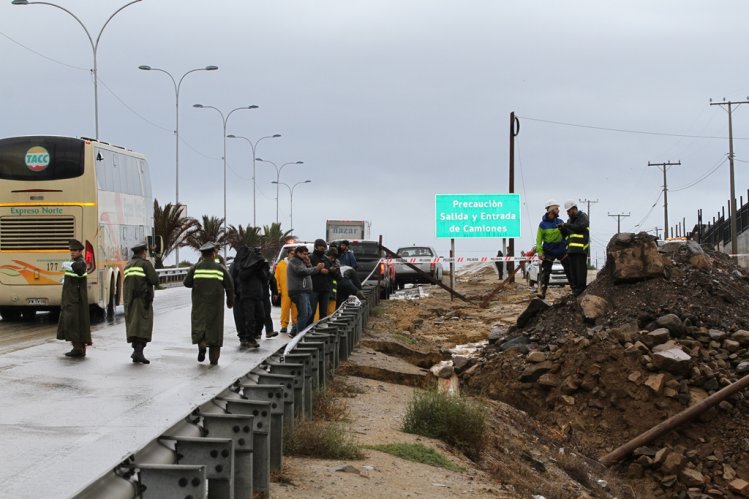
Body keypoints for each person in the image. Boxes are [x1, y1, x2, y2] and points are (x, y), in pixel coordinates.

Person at [184, 242, 234, 365]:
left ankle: (201, 344)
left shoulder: (195, 267)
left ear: (202, 254)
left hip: (199, 303)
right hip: (215, 305)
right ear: (213, 253)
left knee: (200, 325)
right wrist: (230, 301)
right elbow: (230, 286)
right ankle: (214, 359)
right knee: (215, 330)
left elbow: (187, 283)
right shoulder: (220, 268)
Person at [123, 241, 160, 364]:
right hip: (143, 301)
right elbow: (155, 280)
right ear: (143, 252)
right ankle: (138, 353)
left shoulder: (128, 265)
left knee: (134, 325)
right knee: (143, 326)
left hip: (130, 301)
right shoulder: (145, 264)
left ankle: (137, 351)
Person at [57, 239, 91, 358]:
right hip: (72, 298)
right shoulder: (74, 262)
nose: (72, 252)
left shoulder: (80, 262)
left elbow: (80, 269)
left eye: (75, 250)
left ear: (80, 251)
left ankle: (78, 348)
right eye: (71, 250)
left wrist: (69, 264)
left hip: (75, 299)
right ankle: (79, 348)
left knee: (74, 323)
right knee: (75, 323)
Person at [534, 199, 570, 299]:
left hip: (561, 249)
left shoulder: (560, 222)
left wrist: (567, 246)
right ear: (551, 210)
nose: (558, 210)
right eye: (556, 209)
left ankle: (575, 289)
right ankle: (542, 292)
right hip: (549, 251)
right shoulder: (542, 225)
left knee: (569, 269)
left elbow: (566, 235)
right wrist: (540, 252)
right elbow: (538, 240)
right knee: (546, 272)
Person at [286, 245, 324, 336]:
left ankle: (294, 332)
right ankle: (299, 335)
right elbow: (302, 272)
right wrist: (316, 268)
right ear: (298, 253)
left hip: (304, 291)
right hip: (299, 291)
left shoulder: (301, 261)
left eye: (307, 254)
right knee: (304, 314)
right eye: (304, 254)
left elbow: (307, 270)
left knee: (309, 313)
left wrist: (309, 264)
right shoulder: (295, 261)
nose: (306, 256)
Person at [237, 247, 270, 348]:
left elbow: (265, 279)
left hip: (258, 296)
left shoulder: (258, 269)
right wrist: (253, 268)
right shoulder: (243, 266)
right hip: (247, 296)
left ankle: (254, 335)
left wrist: (259, 269)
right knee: (249, 318)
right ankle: (249, 339)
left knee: (262, 317)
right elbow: (242, 276)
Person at [560, 200, 590, 296]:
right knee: (573, 273)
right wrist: (562, 230)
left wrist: (567, 225)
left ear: (574, 209)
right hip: (571, 251)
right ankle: (575, 290)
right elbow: (566, 235)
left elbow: (580, 227)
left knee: (580, 271)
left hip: (581, 250)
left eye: (569, 211)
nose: (568, 213)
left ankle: (581, 289)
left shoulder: (583, 217)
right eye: (567, 212)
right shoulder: (569, 221)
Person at [229, 245, 251, 346]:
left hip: (246, 295)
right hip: (239, 295)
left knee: (247, 316)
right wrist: (231, 294)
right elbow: (231, 280)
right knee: (240, 316)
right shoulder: (235, 265)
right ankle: (243, 335)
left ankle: (247, 335)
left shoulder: (250, 264)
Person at [274, 246, 298, 334]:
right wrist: (278, 290)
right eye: (292, 254)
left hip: (296, 289)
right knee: (285, 308)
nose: (293, 256)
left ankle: (295, 324)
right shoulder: (281, 265)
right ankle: (284, 325)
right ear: (288, 254)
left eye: (294, 254)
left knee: (295, 308)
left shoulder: (297, 264)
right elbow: (276, 278)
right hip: (285, 291)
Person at [309, 238, 332, 320]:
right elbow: (307, 271)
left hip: (325, 289)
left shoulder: (326, 259)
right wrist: (319, 270)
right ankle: (307, 330)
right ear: (316, 247)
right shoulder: (310, 258)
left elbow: (330, 270)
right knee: (311, 312)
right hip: (314, 288)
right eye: (320, 246)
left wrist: (328, 270)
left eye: (324, 246)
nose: (322, 248)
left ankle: (321, 331)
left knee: (323, 313)